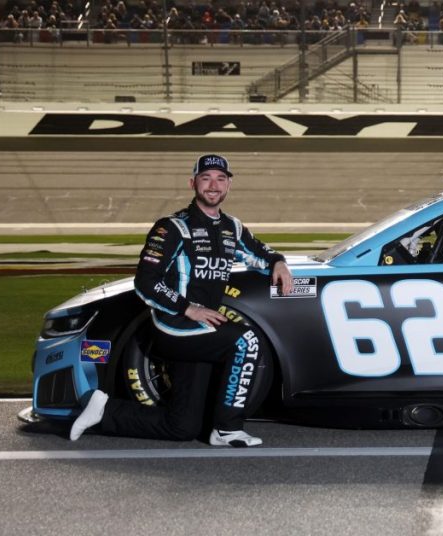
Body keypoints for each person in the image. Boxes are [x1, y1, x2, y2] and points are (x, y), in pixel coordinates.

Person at [70, 154, 293, 447]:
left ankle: (103, 411)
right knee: (247, 341)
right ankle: (227, 429)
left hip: (201, 332)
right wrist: (188, 308)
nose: (213, 185)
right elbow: (146, 282)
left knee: (183, 426)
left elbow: (261, 253)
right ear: (193, 183)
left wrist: (278, 262)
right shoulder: (172, 227)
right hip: (173, 326)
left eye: (220, 179)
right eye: (206, 178)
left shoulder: (233, 227)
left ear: (228, 185)